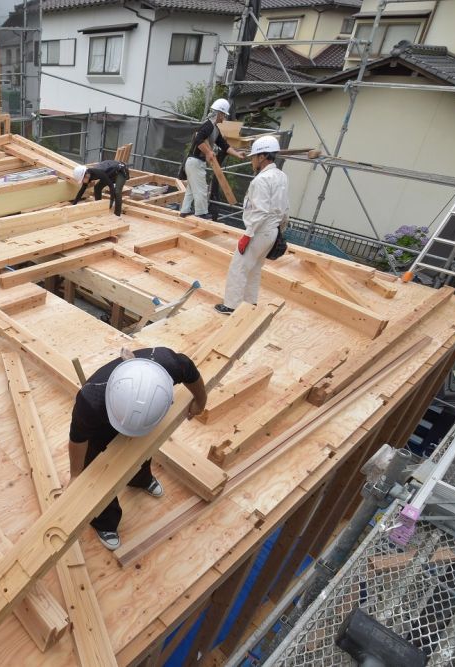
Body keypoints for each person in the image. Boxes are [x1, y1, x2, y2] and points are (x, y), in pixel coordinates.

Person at [67, 347, 207, 550]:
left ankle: (140, 479)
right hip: (102, 423)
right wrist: (75, 475)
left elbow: (190, 371)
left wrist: (201, 402)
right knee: (96, 472)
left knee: (141, 450)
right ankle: (104, 521)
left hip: (144, 419)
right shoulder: (90, 401)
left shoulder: (169, 364)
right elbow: (77, 439)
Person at [215, 136, 289, 315]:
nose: (252, 160)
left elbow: (261, 211)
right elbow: (285, 207)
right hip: (271, 231)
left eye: (254, 156)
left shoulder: (261, 180)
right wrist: (281, 230)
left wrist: (248, 234)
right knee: (255, 268)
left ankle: (231, 306)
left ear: (263, 157)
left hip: (259, 231)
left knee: (239, 267)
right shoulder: (281, 176)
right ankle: (250, 304)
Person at [180, 98, 246, 220]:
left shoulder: (214, 128)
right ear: (219, 113)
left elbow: (224, 146)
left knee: (191, 188)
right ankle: (201, 213)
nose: (224, 118)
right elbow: (198, 140)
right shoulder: (208, 126)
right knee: (201, 189)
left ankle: (185, 210)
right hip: (195, 162)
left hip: (193, 162)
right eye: (224, 115)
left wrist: (237, 154)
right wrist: (209, 152)